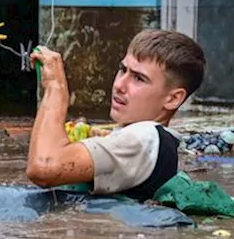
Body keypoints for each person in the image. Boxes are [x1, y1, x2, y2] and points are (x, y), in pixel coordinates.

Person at [25, 29, 206, 200]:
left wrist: (55, 88)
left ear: (173, 98)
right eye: (123, 69)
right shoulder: (159, 141)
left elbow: (44, 167)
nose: (120, 84)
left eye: (139, 78)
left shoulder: (143, 137)